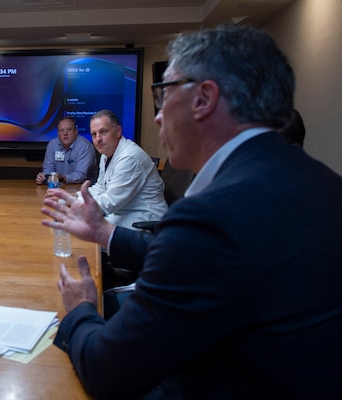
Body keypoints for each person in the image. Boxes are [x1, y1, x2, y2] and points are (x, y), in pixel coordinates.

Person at [41, 25, 342, 399]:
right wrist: (104, 234)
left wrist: (81, 310)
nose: (156, 116)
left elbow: (107, 371)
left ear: (204, 98)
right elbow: (206, 261)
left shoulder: (212, 216)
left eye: (163, 95)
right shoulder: (321, 181)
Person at [84, 109, 167, 230]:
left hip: (144, 220)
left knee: (85, 230)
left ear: (118, 131)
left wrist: (72, 203)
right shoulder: (106, 154)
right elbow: (101, 187)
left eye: (103, 132)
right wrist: (74, 197)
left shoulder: (129, 157)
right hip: (124, 212)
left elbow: (109, 203)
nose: (98, 139)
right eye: (94, 134)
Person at [36, 117, 98, 185]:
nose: (65, 133)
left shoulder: (85, 146)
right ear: (58, 133)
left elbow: (81, 176)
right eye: (61, 130)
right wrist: (43, 177)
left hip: (85, 189)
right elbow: (48, 169)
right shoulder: (52, 145)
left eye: (69, 129)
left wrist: (63, 177)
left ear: (76, 131)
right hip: (59, 187)